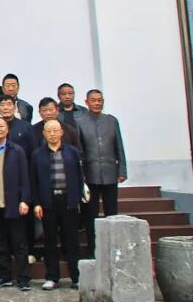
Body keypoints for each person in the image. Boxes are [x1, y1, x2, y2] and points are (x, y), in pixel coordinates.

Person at [32, 119, 84, 290]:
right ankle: (52, 277)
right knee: (50, 241)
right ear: (44, 134)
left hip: (68, 201)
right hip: (48, 202)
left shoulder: (72, 152)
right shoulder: (37, 154)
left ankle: (76, 277)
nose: (52, 134)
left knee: (71, 241)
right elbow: (34, 181)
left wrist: (77, 199)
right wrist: (37, 203)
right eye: (49, 131)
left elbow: (79, 177)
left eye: (55, 130)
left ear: (62, 132)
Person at [77, 89, 127, 255]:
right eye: (93, 100)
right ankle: (93, 248)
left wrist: (122, 170)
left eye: (100, 100)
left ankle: (113, 248)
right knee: (90, 214)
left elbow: (119, 146)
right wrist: (81, 174)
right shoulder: (80, 122)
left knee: (112, 212)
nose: (97, 103)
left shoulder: (111, 121)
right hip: (90, 174)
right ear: (86, 102)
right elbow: (79, 150)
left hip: (110, 173)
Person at [0, 117, 32, 291]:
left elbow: (24, 177)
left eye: (1, 126)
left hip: (13, 204)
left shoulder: (17, 150)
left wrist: (24, 200)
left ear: (7, 130)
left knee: (19, 244)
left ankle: (23, 278)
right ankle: (3, 276)